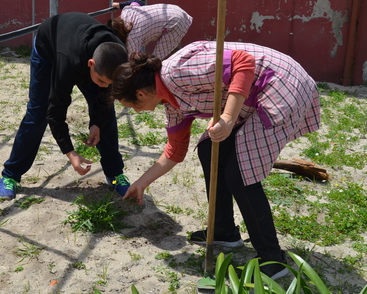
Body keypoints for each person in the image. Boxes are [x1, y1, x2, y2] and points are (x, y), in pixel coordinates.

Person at [110, 41, 321, 280]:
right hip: (253, 95)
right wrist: (142, 182)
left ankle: (273, 260)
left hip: (281, 85)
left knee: (240, 173)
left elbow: (243, 62)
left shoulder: (177, 72)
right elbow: (175, 150)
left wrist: (228, 118)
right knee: (209, 148)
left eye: (131, 106)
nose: (136, 111)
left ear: (140, 93)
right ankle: (224, 231)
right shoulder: (170, 104)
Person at [0, 12, 131, 200]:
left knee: (107, 114)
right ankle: (10, 175)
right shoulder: (68, 61)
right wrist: (70, 153)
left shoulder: (117, 55)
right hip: (48, 53)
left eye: (109, 83)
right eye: (101, 81)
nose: (105, 86)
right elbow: (56, 111)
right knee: (38, 114)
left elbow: (104, 96)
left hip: (86, 58)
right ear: (91, 64)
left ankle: (115, 175)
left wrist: (97, 123)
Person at [107, 1, 193, 60]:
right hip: (172, 10)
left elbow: (132, 61)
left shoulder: (132, 38)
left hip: (174, 22)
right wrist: (119, 5)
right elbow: (139, 2)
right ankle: (186, 61)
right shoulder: (127, 11)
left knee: (155, 59)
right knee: (174, 50)